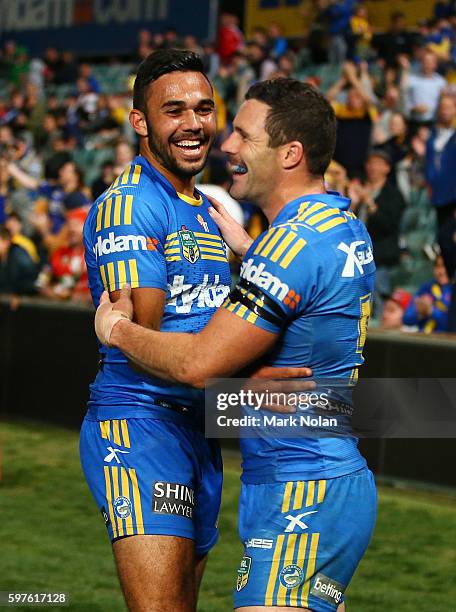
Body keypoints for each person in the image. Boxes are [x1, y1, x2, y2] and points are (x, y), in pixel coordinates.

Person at [95, 78, 377, 611]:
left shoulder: (289, 247)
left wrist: (116, 330)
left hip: (301, 489)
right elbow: (314, 302)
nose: (226, 145)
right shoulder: (343, 224)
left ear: (289, 153)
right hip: (329, 479)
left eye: (244, 137)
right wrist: (256, 255)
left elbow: (199, 365)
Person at [81, 50, 305, 612]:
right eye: (173, 110)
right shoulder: (130, 206)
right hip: (141, 424)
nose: (194, 123)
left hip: (197, 428)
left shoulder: (208, 207)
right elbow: (145, 341)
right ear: (141, 123)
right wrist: (243, 384)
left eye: (205, 109)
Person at [403, 254, 452, 333]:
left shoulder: (453, 290)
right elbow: (407, 319)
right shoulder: (426, 288)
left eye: (446, 266)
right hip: (424, 340)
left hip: (446, 342)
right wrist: (419, 312)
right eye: (438, 266)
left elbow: (451, 325)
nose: (441, 271)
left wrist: (430, 311)